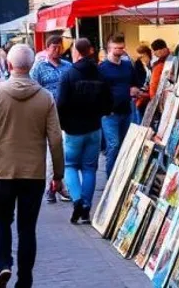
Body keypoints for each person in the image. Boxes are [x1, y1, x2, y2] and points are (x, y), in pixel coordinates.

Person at [0, 44, 64, 288]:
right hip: (33, 172)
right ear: (31, 66)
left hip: (3, 169)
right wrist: (57, 174)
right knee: (27, 227)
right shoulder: (45, 97)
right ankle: (25, 279)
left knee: (2, 219)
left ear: (11, 65)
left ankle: (4, 264)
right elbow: (56, 140)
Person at [55, 38, 111, 224]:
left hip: (72, 129)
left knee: (70, 166)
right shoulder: (100, 73)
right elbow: (108, 102)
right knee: (90, 168)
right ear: (90, 51)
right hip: (94, 127)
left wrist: (62, 124)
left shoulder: (69, 74)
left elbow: (60, 104)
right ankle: (86, 207)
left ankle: (77, 200)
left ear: (76, 52)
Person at [28, 35, 72, 204]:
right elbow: (32, 88)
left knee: (64, 150)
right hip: (47, 114)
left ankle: (62, 187)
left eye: (59, 47)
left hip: (65, 114)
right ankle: (50, 187)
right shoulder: (39, 68)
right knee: (50, 151)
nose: (57, 50)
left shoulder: (68, 67)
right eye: (53, 47)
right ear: (47, 49)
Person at [98, 34, 134, 172]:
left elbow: (135, 82)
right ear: (109, 49)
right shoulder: (102, 68)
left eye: (122, 48)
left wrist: (135, 89)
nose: (120, 50)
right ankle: (111, 178)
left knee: (125, 145)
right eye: (116, 48)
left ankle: (121, 175)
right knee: (113, 145)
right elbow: (98, 91)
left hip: (126, 111)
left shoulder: (127, 65)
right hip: (110, 114)